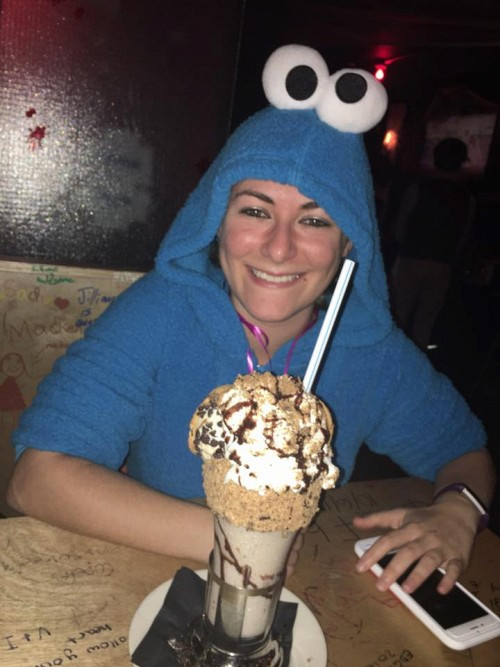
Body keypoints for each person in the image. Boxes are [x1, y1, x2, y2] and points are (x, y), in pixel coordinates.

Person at [7, 45, 495, 598]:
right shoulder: (161, 311)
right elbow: (36, 477)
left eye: (315, 220)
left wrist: (458, 510)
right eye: (256, 211)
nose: (279, 248)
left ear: (349, 242)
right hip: (147, 587)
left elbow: (464, 451)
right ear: (216, 219)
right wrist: (235, 543)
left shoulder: (370, 349)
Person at [390, 137, 475, 350]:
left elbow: (400, 227)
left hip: (410, 259)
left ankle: (391, 360)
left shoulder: (418, 188)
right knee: (425, 324)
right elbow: (463, 237)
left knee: (398, 317)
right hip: (442, 265)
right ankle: (416, 364)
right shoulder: (467, 198)